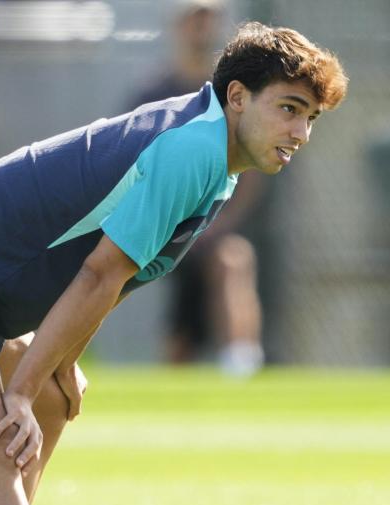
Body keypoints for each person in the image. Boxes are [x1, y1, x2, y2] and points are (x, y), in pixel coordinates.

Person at [0, 22, 347, 505]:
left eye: (311, 117)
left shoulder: (212, 156)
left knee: (51, 403)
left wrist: (57, 366)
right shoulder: (192, 149)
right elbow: (98, 276)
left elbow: (112, 280)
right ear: (237, 96)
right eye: (289, 108)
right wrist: (22, 388)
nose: (301, 132)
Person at [129, 0, 267, 376]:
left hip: (212, 229)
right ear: (178, 27)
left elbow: (251, 168)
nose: (202, 30)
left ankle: (241, 365)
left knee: (232, 259)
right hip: (160, 227)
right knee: (180, 340)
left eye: (209, 21)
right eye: (195, 21)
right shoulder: (154, 94)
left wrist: (217, 223)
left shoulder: (232, 96)